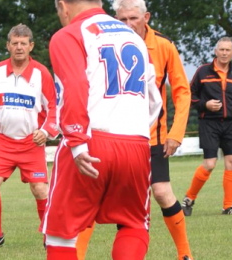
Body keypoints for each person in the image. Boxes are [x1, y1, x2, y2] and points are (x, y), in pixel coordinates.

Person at [73, 1, 194, 259]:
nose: (128, 24)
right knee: (90, 197)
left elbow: (182, 91)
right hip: (108, 135)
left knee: (161, 192)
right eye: (122, 19)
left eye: (133, 18)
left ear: (146, 17)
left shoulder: (164, 45)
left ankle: (185, 253)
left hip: (151, 137)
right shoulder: (99, 40)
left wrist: (176, 132)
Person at [42, 1, 162, 259]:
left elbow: (73, 88)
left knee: (60, 234)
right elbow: (155, 100)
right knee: (134, 224)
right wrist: (134, 129)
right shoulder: (135, 36)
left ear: (63, 5)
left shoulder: (69, 34)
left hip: (91, 140)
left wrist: (76, 142)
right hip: (137, 144)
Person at [0, 23, 59, 253]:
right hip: (2, 141)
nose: (19, 47)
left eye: (23, 43)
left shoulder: (42, 73)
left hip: (31, 143)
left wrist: (47, 131)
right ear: (8, 46)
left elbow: (54, 108)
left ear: (31, 46)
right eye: (15, 43)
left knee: (40, 190)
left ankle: (47, 233)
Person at [182, 37, 232, 217]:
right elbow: (189, 95)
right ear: (215, 51)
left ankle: (228, 207)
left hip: (230, 124)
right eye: (221, 49)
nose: (224, 53)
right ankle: (189, 199)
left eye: (227, 50)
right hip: (209, 123)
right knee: (209, 164)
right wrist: (205, 104)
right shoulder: (203, 72)